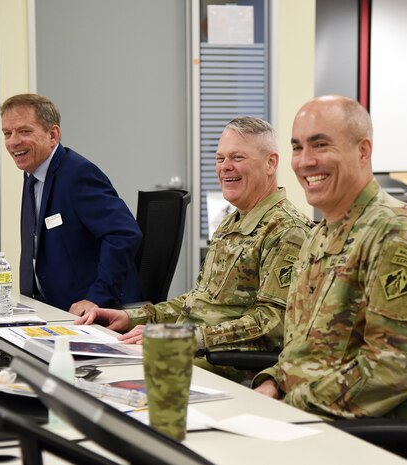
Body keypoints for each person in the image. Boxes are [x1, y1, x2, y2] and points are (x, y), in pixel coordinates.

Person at [253, 95, 407, 420]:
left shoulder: (396, 236)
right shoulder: (321, 235)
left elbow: (397, 367)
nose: (304, 161)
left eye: (320, 145)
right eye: (297, 147)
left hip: (359, 438)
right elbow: (304, 349)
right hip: (302, 419)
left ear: (363, 151)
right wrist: (273, 383)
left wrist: (290, 406)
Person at [76, 116, 313, 380]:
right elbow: (198, 302)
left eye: (237, 158)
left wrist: (179, 336)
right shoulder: (231, 222)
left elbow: (271, 325)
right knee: (88, 362)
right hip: (185, 349)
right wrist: (131, 317)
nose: (225, 167)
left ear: (271, 163)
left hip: (218, 364)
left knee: (108, 377)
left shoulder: (288, 231)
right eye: (220, 159)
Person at [0, 94, 142, 314]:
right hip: (49, 309)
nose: (13, 142)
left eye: (24, 131)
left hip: (92, 313)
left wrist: (96, 298)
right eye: (7, 133)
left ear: (53, 135)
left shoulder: (77, 174)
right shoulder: (33, 173)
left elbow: (124, 233)